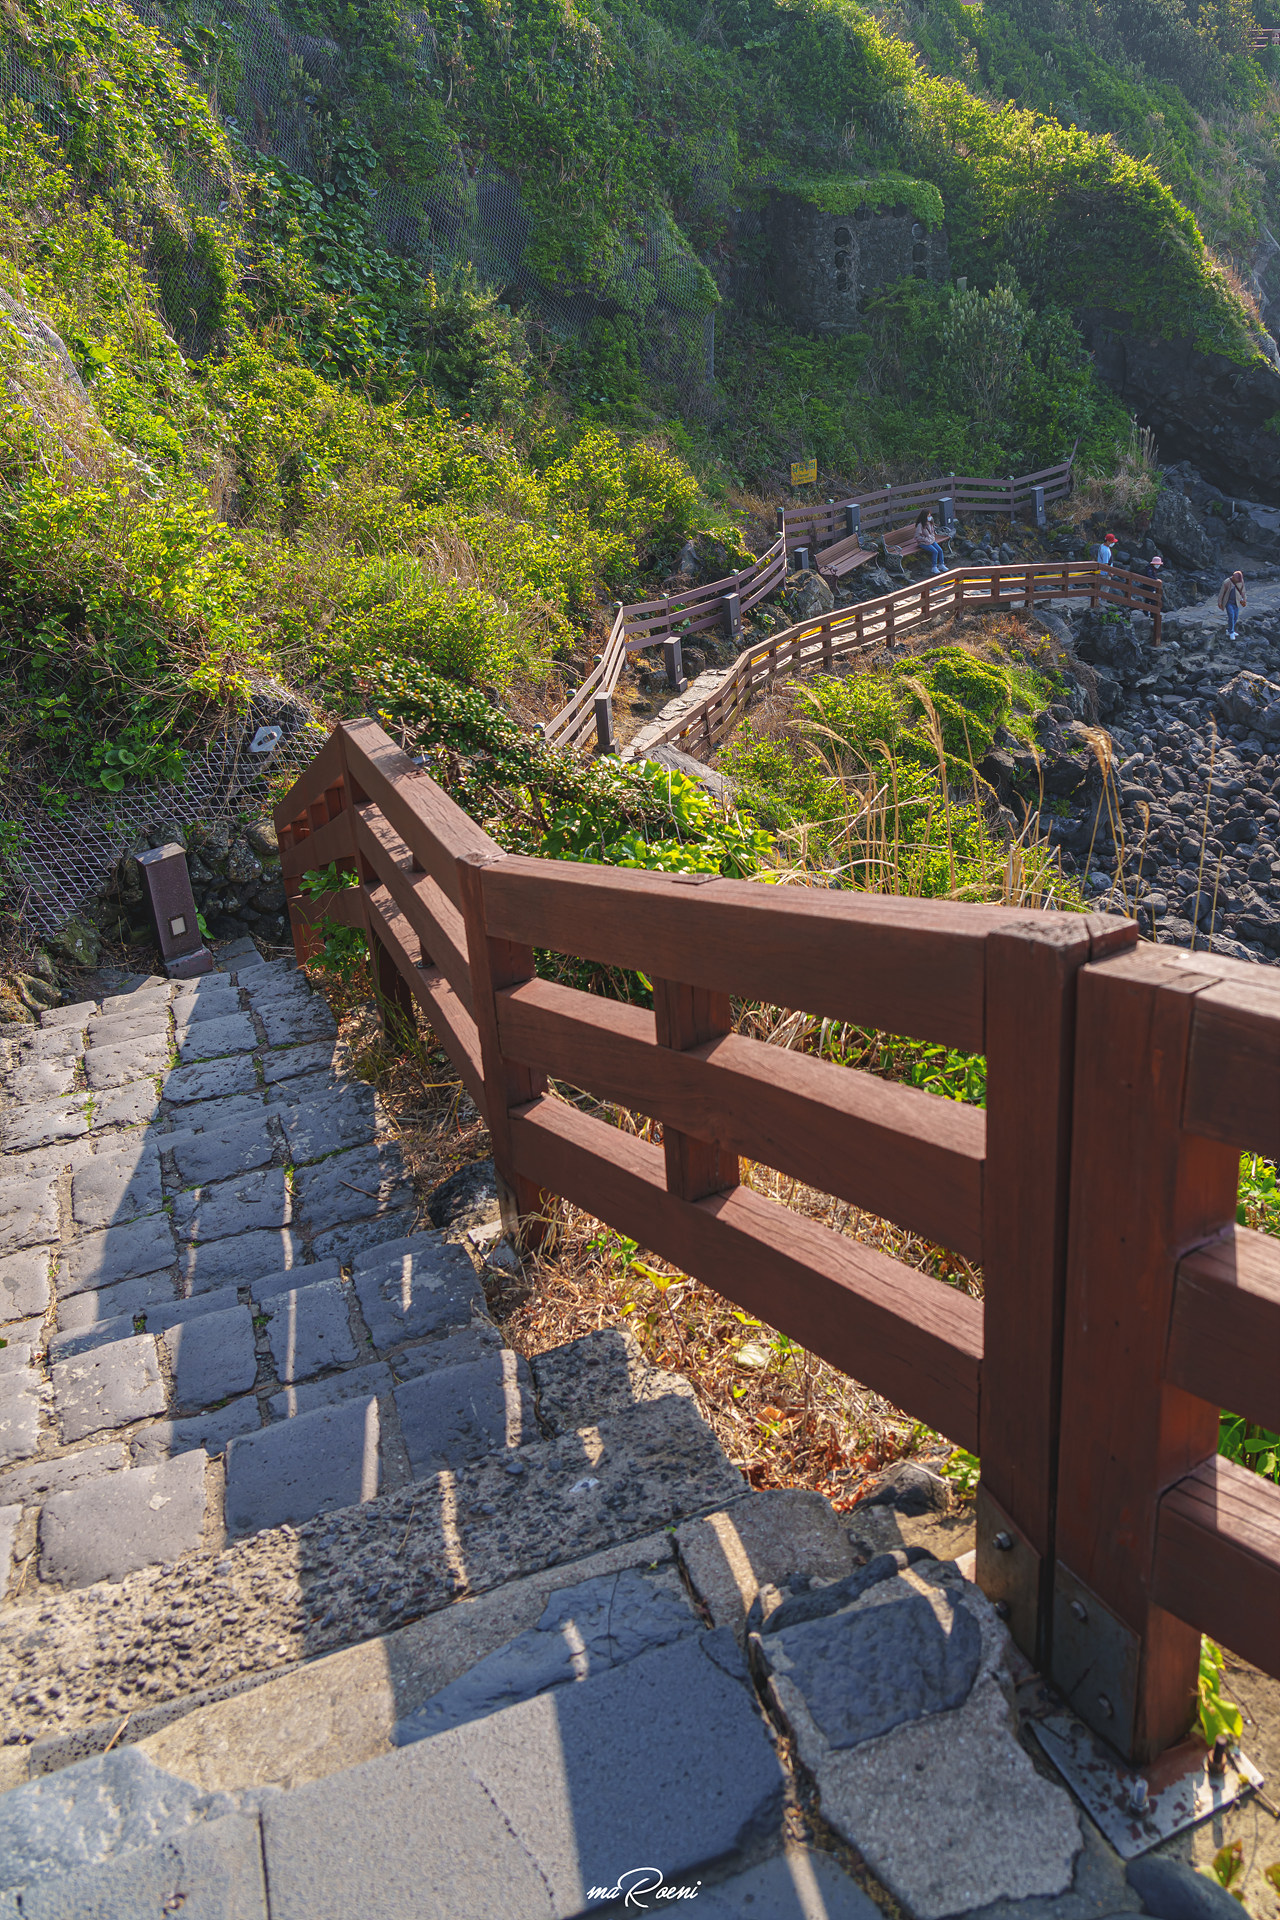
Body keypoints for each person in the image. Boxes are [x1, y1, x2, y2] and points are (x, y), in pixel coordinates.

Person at [915, 508, 947, 575]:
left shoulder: (930, 523)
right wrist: (925, 539)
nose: (930, 517)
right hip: (923, 542)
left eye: (930, 515)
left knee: (940, 550)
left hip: (931, 540)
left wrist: (931, 538)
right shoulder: (920, 525)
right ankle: (934, 567)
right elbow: (917, 536)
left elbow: (932, 532)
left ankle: (941, 564)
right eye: (928, 516)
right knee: (935, 551)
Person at [1218, 569, 1247, 638]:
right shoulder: (1226, 582)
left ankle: (1230, 630)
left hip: (1236, 602)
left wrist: (1244, 599)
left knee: (1235, 617)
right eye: (1237, 579)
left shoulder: (1241, 581)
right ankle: (1231, 632)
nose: (1238, 581)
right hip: (1228, 602)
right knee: (1231, 616)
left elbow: (1243, 591)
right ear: (1233, 577)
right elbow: (1221, 593)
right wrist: (1220, 602)